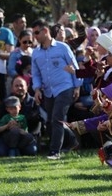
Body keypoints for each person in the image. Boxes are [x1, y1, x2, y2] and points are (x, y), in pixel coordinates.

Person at [30, 19, 81, 159]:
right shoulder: (35, 53)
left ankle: (54, 151)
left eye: (36, 32)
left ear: (45, 31)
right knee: (50, 121)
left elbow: (75, 67)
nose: (34, 36)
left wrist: (77, 86)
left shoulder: (63, 47)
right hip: (48, 91)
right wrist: (37, 89)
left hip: (65, 88)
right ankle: (72, 141)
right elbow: (35, 74)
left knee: (57, 118)